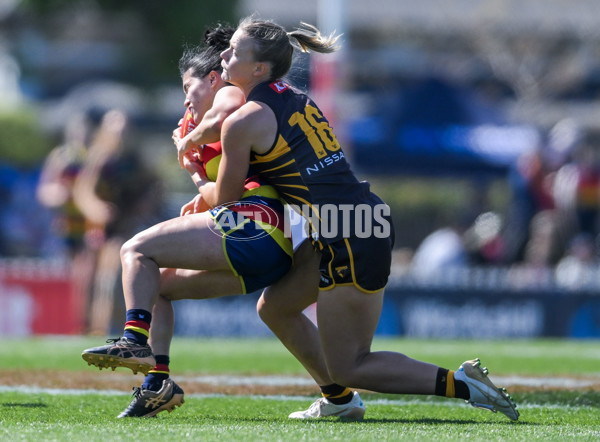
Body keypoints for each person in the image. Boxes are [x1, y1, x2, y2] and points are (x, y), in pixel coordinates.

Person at [197, 16, 515, 420]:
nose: (223, 55)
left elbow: (225, 202)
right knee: (275, 307)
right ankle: (339, 401)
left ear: (260, 68)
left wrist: (193, 167)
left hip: (346, 228)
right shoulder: (292, 97)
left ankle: (465, 384)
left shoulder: (243, 121)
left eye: (234, 52)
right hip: (355, 219)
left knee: (351, 364)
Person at [81, 25, 297, 417]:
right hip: (267, 245)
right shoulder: (204, 118)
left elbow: (227, 114)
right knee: (156, 288)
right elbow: (222, 194)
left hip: (258, 227)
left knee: (135, 249)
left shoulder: (229, 92)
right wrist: (200, 184)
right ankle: (158, 382)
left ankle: (133, 340)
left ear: (212, 79)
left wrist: (190, 144)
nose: (185, 101)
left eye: (187, 88)